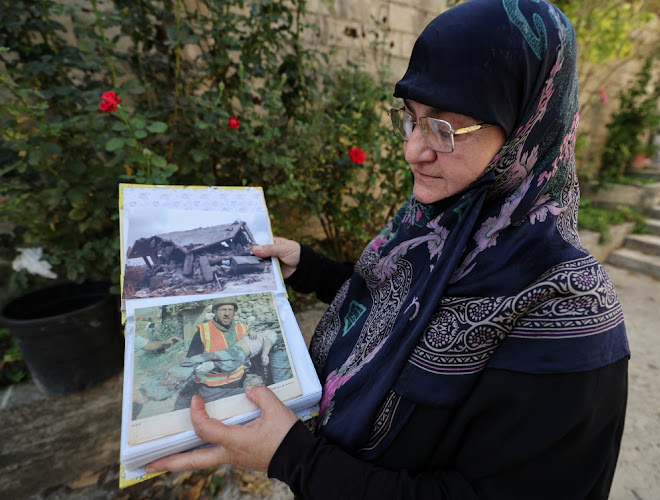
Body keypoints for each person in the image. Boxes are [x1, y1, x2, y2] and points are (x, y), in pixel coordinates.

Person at [147, 0, 630, 497]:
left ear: (528, 121)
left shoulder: (567, 308)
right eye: (412, 118)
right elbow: (402, 307)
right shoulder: (441, 218)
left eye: (444, 129)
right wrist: (309, 268)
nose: (414, 150)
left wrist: (294, 458)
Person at [172, 298, 276, 410]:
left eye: (230, 310)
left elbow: (253, 349)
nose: (227, 314)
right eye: (222, 310)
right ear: (215, 311)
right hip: (212, 389)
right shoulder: (203, 332)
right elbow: (191, 361)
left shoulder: (243, 329)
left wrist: (253, 338)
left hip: (239, 383)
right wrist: (201, 367)